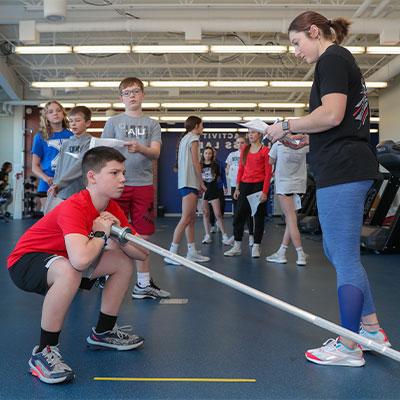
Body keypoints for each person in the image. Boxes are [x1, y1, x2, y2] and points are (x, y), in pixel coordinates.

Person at [265, 11, 391, 367]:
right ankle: (369, 330)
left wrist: (285, 124)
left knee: (343, 255)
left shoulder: (332, 58)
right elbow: (339, 122)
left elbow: (332, 114)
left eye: (296, 42)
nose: (295, 51)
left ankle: (349, 346)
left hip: (344, 170)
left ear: (314, 31)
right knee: (340, 255)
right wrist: (303, 138)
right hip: (343, 165)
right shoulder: (338, 61)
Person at [7, 147, 148, 384]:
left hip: (68, 258)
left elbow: (142, 253)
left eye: (123, 172)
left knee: (122, 262)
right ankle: (44, 351)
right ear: (92, 177)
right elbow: (81, 260)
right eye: (114, 173)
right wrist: (102, 234)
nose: (123, 179)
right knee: (69, 270)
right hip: (26, 261)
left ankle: (103, 332)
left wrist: (119, 235)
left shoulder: (111, 208)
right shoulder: (75, 206)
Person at [101, 77, 169, 300]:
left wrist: (140, 148)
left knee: (144, 236)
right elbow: (102, 152)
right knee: (111, 233)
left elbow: (156, 153)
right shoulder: (113, 122)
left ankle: (143, 283)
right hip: (116, 186)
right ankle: (108, 277)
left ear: (143, 95)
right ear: (121, 97)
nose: (132, 95)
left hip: (142, 185)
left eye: (136, 91)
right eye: (127, 92)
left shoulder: (152, 124)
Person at [165, 116, 210, 265]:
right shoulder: (193, 139)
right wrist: (201, 182)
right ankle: (171, 253)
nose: (203, 128)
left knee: (190, 219)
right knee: (186, 218)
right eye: (202, 125)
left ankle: (191, 252)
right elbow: (196, 163)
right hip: (190, 182)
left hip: (187, 182)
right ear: (196, 126)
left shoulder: (185, 138)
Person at [224, 130, 272, 258]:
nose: (250, 135)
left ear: (260, 135)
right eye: (249, 133)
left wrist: (265, 192)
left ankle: (256, 246)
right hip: (244, 185)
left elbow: (268, 173)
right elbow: (241, 168)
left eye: (254, 133)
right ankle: (237, 246)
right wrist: (238, 188)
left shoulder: (265, 150)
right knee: (239, 215)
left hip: (259, 185)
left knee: (258, 217)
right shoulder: (245, 148)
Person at [265, 141, 309, 266]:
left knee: (291, 220)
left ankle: (300, 254)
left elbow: (270, 161)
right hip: (299, 184)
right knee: (292, 220)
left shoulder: (278, 144)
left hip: (284, 184)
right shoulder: (304, 143)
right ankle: (282, 251)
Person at [47, 106, 93, 206]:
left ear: (87, 123)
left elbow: (80, 166)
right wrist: (56, 184)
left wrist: (60, 183)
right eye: (71, 121)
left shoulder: (90, 143)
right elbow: (59, 167)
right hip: (62, 192)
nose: (73, 124)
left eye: (77, 120)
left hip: (81, 192)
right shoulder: (66, 144)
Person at [31, 101, 73, 209]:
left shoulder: (72, 136)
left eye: (58, 110)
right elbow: (34, 166)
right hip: (47, 185)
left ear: (63, 114)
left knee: (67, 220)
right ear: (46, 117)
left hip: (67, 184)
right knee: (50, 221)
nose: (55, 113)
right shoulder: (40, 137)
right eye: (50, 112)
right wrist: (46, 178)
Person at [225, 134, 254, 246]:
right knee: (237, 212)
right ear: (235, 144)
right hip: (234, 186)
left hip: (246, 185)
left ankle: (252, 235)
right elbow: (227, 168)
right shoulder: (232, 155)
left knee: (248, 211)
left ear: (246, 144)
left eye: (242, 142)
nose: (240, 144)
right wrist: (231, 173)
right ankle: (236, 235)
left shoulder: (250, 153)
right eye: (238, 143)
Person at [200, 146, 233, 245]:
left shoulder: (216, 165)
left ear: (212, 154)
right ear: (203, 154)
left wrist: (225, 185)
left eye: (210, 153)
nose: (208, 155)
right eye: (206, 153)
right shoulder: (199, 165)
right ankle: (207, 235)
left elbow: (223, 173)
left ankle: (224, 235)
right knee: (205, 213)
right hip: (203, 190)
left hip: (213, 189)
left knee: (218, 214)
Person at [208, 148, 228, 233]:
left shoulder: (220, 163)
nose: (213, 153)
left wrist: (225, 186)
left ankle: (218, 223)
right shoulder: (206, 163)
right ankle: (212, 225)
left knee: (222, 205)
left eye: (214, 152)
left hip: (219, 187)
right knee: (211, 208)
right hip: (210, 188)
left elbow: (223, 175)